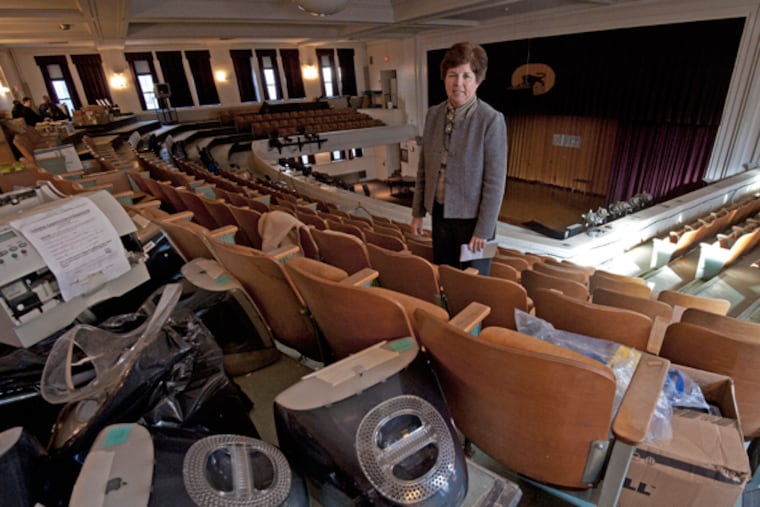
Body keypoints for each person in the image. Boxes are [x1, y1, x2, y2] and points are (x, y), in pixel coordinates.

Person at [411, 41, 507, 275]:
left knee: (475, 282)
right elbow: (424, 167)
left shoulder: (491, 120)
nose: (458, 83)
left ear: (478, 80)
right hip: (440, 215)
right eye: (453, 75)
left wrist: (483, 230)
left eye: (466, 76)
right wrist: (417, 213)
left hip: (475, 224)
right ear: (444, 77)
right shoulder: (433, 114)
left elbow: (495, 183)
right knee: (445, 275)